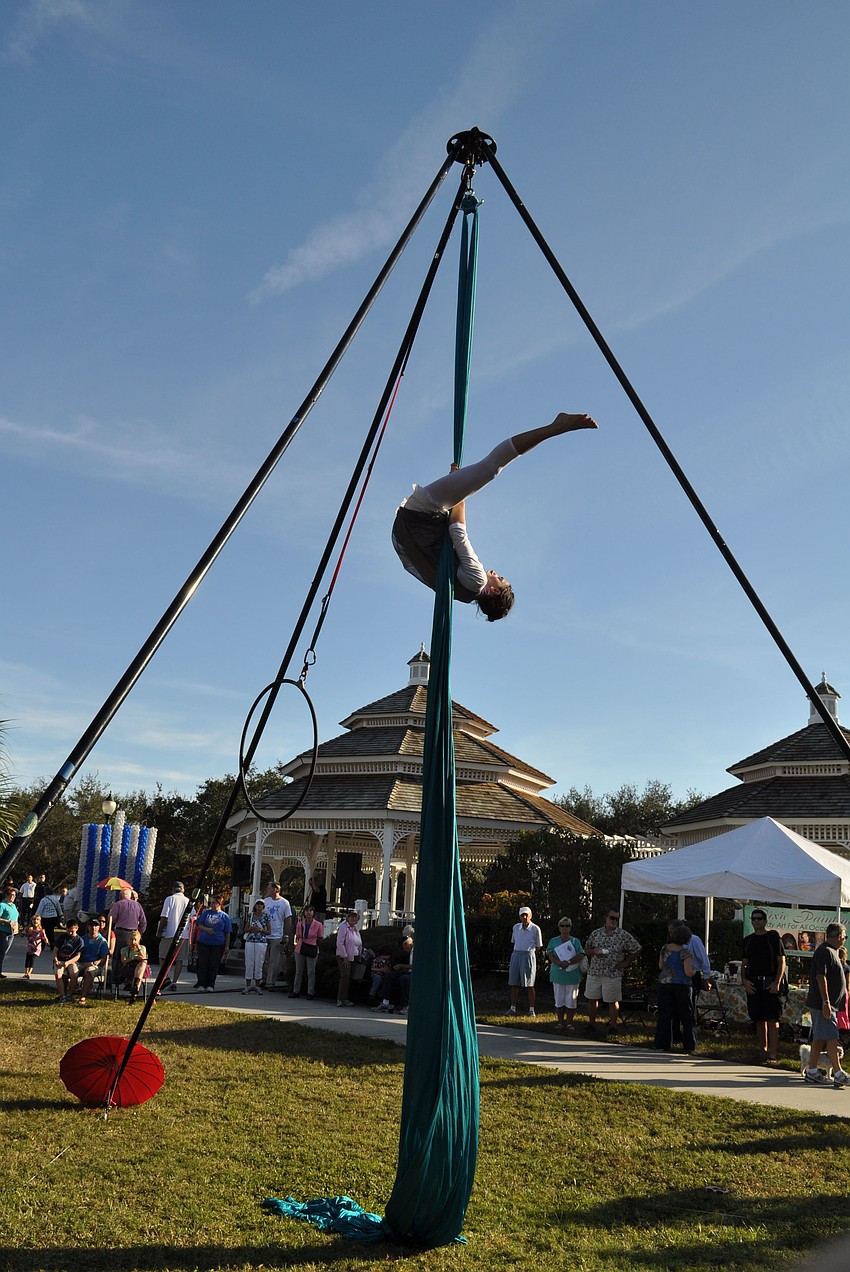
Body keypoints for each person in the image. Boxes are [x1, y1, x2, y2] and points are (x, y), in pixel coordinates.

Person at [392, 413, 598, 622]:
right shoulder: (462, 594)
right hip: (415, 524)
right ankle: (556, 427)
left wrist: (459, 493)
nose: (495, 573)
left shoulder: (477, 580)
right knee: (486, 470)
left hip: (423, 513)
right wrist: (456, 485)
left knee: (490, 468)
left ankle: (557, 427)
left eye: (500, 579)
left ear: (494, 592)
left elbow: (457, 531)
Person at [804, 922, 849, 1088]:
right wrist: (826, 1002)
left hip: (828, 1004)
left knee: (820, 1038)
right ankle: (838, 1073)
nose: (845, 939)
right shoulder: (824, 951)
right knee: (832, 1037)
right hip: (823, 1003)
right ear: (838, 936)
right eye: (844, 936)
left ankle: (812, 1071)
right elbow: (820, 977)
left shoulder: (833, 951)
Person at [584, 908, 642, 1037]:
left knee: (612, 1000)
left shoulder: (623, 935)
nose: (614, 921)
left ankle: (613, 1026)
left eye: (617, 919)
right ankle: (591, 1024)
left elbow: (637, 948)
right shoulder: (596, 933)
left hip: (612, 973)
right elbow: (587, 949)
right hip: (595, 971)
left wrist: (626, 962)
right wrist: (594, 952)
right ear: (606, 917)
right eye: (612, 918)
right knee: (592, 998)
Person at [741, 908, 786, 1066]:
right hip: (753, 982)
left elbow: (782, 962)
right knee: (758, 1019)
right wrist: (745, 981)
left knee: (772, 1018)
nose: (757, 921)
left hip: (770, 981)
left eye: (760, 918)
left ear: (765, 921)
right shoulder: (748, 940)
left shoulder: (773, 938)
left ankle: (773, 1053)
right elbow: (744, 964)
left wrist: (777, 982)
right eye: (754, 919)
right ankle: (763, 1051)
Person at [655, 923, 697, 1054]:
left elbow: (661, 966)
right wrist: (695, 971)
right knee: (687, 1015)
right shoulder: (685, 952)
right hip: (682, 985)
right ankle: (690, 1044)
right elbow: (688, 972)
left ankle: (662, 1043)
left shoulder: (664, 949)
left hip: (665, 984)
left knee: (665, 1015)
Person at [546, 917, 585, 1032]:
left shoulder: (575, 941)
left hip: (572, 974)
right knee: (559, 1000)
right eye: (562, 925)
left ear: (570, 927)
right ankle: (560, 1022)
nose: (564, 928)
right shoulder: (553, 941)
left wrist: (568, 962)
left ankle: (569, 1023)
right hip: (558, 974)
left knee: (571, 1000)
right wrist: (559, 962)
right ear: (559, 927)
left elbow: (581, 954)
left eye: (567, 925)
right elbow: (550, 953)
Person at [192, 895, 232, 992]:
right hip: (204, 942)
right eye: (211, 902)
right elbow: (199, 925)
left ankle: (210, 984)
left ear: (219, 904)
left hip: (218, 943)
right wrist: (207, 929)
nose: (212, 905)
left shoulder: (225, 916)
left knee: (213, 964)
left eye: (214, 903)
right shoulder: (206, 913)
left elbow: (227, 932)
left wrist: (227, 946)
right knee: (203, 963)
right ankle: (201, 983)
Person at [508, 906, 543, 1017]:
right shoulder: (516, 927)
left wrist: (530, 954)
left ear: (530, 915)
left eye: (526, 915)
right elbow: (514, 942)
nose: (524, 917)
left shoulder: (535, 928)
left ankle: (531, 1010)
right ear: (519, 916)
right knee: (514, 983)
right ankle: (512, 1008)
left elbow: (538, 946)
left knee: (529, 984)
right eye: (522, 915)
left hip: (528, 955)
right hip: (516, 954)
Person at [156, 881, 191, 992]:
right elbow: (193, 917)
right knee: (179, 959)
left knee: (162, 956)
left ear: (173, 889)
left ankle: (166, 977)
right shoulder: (188, 901)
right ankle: (175, 982)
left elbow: (164, 917)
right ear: (183, 890)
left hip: (170, 932)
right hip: (183, 934)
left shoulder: (170, 899)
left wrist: (159, 931)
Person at [262, 882, 293, 991]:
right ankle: (264, 979)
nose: (267, 890)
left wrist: (286, 935)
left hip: (277, 935)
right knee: (264, 958)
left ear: (275, 889)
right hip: (265, 934)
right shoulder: (265, 901)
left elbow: (288, 919)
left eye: (269, 888)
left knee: (274, 960)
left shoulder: (284, 903)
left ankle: (270, 982)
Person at [74, 916, 111, 1006]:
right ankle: (66, 995)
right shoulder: (82, 939)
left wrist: (95, 963)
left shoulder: (102, 941)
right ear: (88, 927)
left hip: (94, 965)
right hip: (80, 963)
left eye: (96, 926)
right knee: (68, 970)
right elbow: (76, 953)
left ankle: (83, 996)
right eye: (91, 925)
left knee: (90, 971)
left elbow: (104, 958)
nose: (93, 928)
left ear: (99, 927)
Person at [291, 904, 324, 1000]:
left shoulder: (318, 924)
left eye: (310, 911)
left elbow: (320, 937)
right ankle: (296, 991)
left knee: (311, 971)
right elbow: (297, 936)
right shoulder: (300, 924)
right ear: (304, 913)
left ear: (313, 913)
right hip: (300, 948)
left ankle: (310, 992)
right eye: (307, 911)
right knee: (298, 971)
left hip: (312, 948)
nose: (308, 913)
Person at [52, 919, 84, 1002]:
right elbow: (55, 951)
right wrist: (56, 960)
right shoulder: (62, 937)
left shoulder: (79, 940)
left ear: (77, 928)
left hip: (71, 961)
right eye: (68, 930)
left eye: (72, 930)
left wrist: (68, 962)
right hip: (60, 959)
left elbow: (78, 956)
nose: (70, 932)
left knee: (74, 973)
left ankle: (69, 994)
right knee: (58, 974)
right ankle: (62, 996)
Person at [242, 900, 270, 995]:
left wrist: (261, 930)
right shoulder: (251, 916)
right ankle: (247, 985)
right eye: (258, 904)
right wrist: (251, 929)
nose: (259, 906)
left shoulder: (266, 916)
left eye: (261, 905)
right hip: (250, 940)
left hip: (261, 941)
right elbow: (245, 929)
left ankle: (258, 985)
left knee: (259, 963)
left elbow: (269, 931)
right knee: (249, 962)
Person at [108, 887, 147, 954]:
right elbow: (143, 922)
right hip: (134, 933)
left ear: (120, 896)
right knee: (131, 953)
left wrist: (111, 909)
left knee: (118, 954)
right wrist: (139, 933)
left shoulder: (118, 904)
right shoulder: (138, 905)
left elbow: (111, 919)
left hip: (120, 933)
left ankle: (117, 964)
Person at [335, 910, 362, 1007]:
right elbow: (340, 943)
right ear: (348, 917)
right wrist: (344, 956)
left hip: (354, 956)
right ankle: (340, 999)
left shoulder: (356, 930)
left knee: (350, 978)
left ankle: (346, 998)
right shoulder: (343, 928)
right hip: (345, 956)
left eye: (355, 917)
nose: (353, 919)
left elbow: (359, 944)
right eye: (351, 917)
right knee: (344, 977)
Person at [117, 929, 149, 1003]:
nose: (133, 942)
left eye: (135, 940)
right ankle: (135, 991)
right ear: (128, 940)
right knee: (138, 975)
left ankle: (134, 991)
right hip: (130, 969)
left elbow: (145, 959)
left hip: (142, 969)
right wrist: (133, 958)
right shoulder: (124, 950)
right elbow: (124, 962)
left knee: (143, 963)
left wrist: (139, 949)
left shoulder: (142, 948)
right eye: (131, 939)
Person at [0, 885, 20, 978]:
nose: (13, 897)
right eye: (11, 895)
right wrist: (7, 921)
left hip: (12, 932)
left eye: (15, 895)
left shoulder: (14, 905)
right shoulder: (2, 905)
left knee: (4, 952)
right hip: (2, 931)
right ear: (6, 895)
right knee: (1, 952)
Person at [24, 913, 51, 979]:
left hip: (36, 948)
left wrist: (47, 942)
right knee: (27, 959)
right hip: (30, 946)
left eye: (37, 920)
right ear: (31, 921)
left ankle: (29, 973)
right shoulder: (29, 929)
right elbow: (23, 933)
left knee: (32, 959)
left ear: (39, 921)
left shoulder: (41, 931)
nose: (35, 921)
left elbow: (44, 938)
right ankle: (26, 972)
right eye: (34, 919)